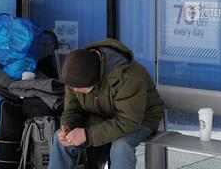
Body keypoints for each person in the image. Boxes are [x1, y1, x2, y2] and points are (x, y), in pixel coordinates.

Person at [49, 38, 165, 169]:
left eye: (79, 88)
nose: (74, 90)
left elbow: (128, 121)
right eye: (72, 87)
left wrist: (88, 135)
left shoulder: (129, 77)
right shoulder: (75, 72)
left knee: (121, 146)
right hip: (101, 113)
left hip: (140, 118)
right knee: (61, 141)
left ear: (95, 79)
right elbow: (72, 110)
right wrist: (67, 127)